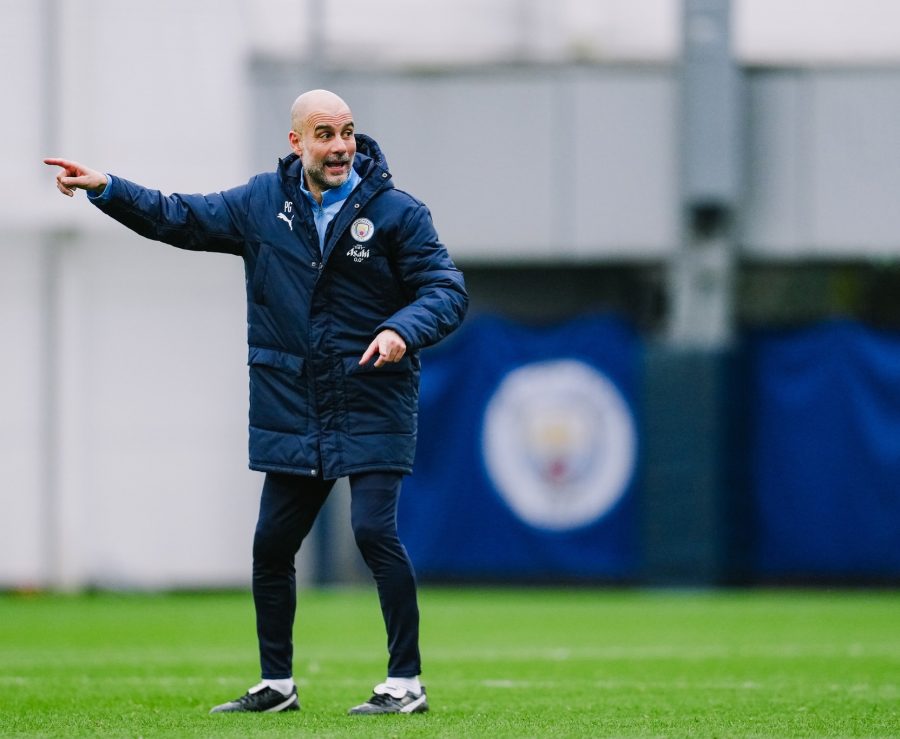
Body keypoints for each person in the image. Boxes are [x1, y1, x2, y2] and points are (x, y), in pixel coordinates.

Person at [45, 89, 467, 716]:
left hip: (372, 395)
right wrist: (107, 187)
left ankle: (405, 683)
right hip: (293, 402)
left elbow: (445, 287)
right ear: (297, 142)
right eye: (325, 133)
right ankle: (277, 685)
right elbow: (177, 217)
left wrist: (400, 329)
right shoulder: (261, 204)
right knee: (272, 547)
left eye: (347, 131)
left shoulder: (397, 212)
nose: (341, 146)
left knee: (374, 531)